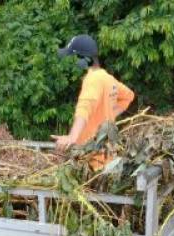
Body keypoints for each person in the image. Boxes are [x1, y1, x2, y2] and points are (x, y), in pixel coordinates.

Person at [52, 35, 135, 170]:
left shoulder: (93, 80)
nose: (72, 63)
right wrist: (109, 115)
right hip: (107, 158)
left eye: (74, 58)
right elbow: (129, 96)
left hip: (91, 161)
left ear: (84, 59)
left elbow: (84, 108)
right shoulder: (107, 78)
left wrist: (72, 137)